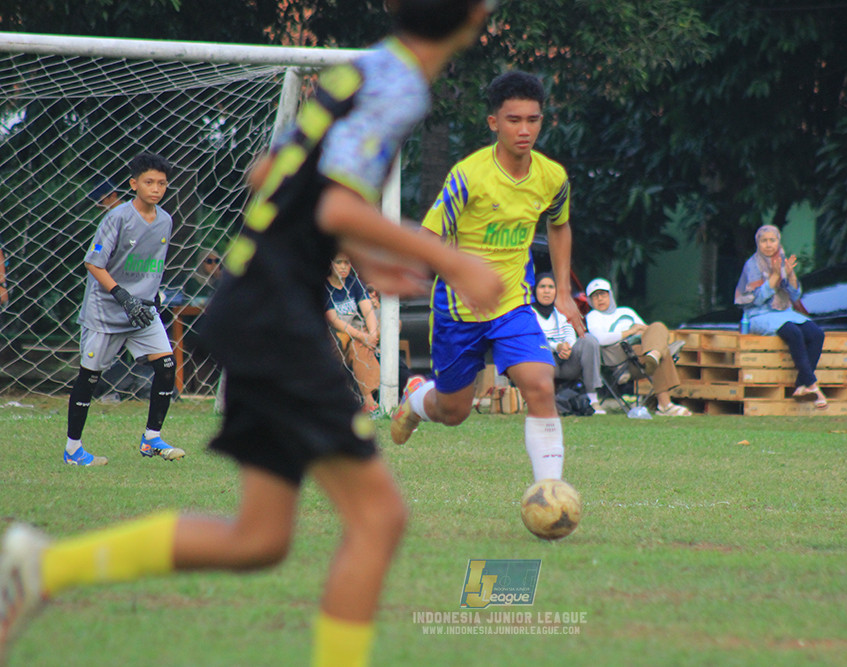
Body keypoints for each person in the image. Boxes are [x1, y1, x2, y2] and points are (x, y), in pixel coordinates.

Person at [0, 3, 503, 667]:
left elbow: (267, 176)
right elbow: (329, 200)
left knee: (260, 537)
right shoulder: (401, 82)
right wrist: (452, 258)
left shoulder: (362, 71)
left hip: (252, 298)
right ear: (477, 14)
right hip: (279, 314)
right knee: (378, 517)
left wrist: (358, 245)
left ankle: (42, 566)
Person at [391, 69, 584, 493]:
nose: (525, 130)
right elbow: (429, 236)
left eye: (533, 120)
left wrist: (565, 294)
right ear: (494, 122)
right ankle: (418, 398)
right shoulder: (468, 175)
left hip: (513, 304)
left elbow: (559, 225)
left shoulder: (551, 177)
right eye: (514, 120)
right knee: (453, 411)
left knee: (539, 385)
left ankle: (550, 494)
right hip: (459, 310)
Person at [62, 152, 184, 465]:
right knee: (90, 377)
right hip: (106, 310)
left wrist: (150, 297)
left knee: (167, 366)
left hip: (141, 310)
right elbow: (93, 263)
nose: (156, 188)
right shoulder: (116, 218)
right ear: (133, 184)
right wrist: (123, 296)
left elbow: (151, 268)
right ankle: (73, 450)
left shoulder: (166, 221)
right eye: (149, 182)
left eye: (161, 183)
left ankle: (151, 440)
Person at [735, 224, 827, 408]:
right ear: (758, 243)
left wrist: (790, 275)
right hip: (759, 315)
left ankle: (802, 385)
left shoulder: (782, 261)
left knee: (816, 334)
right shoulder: (752, 265)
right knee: (794, 333)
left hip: (785, 312)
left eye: (772, 240)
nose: (768, 245)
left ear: (778, 242)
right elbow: (755, 300)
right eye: (764, 241)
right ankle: (813, 386)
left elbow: (795, 296)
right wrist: (774, 279)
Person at [585, 278, 693, 416]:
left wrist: (642, 332)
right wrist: (630, 332)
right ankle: (665, 405)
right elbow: (600, 339)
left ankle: (654, 354)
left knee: (657, 326)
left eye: (603, 294)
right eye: (595, 296)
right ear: (589, 300)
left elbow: (645, 330)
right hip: (624, 358)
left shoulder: (626, 311)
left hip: (641, 352)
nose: (600, 299)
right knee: (661, 351)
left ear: (610, 295)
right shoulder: (593, 316)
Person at [531, 272, 605, 414]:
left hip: (567, 360)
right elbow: (536, 337)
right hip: (546, 362)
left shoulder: (560, 310)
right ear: (535, 290)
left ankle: (592, 398)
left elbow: (569, 330)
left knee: (588, 340)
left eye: (551, 287)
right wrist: (557, 347)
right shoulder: (529, 312)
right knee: (539, 348)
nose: (547, 291)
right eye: (542, 287)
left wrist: (568, 346)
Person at [325, 253, 380, 413]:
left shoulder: (354, 283)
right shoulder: (324, 287)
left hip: (356, 333)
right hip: (336, 334)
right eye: (339, 262)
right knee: (358, 343)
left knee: (360, 346)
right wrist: (364, 336)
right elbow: (333, 320)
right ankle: (367, 400)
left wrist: (372, 333)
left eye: (347, 263)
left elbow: (368, 310)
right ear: (330, 264)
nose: (343, 267)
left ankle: (368, 401)